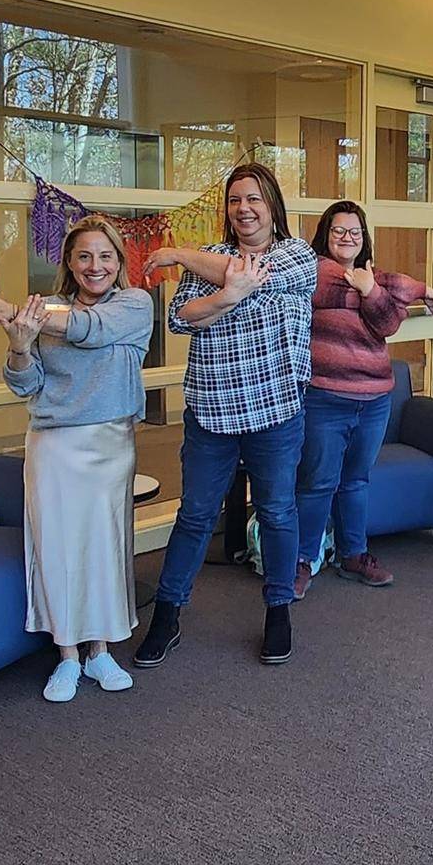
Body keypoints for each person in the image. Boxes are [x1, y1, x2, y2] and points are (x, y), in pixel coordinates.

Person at [0, 216, 154, 702]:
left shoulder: (133, 305)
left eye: (105, 256)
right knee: (56, 547)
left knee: (104, 547)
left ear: (120, 261)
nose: (95, 266)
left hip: (109, 445)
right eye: (84, 256)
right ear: (69, 263)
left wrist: (7, 310)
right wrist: (18, 343)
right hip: (54, 444)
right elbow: (26, 383)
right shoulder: (43, 314)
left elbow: (91, 331)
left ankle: (100, 650)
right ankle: (66, 655)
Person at [135, 163, 317, 664]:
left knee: (278, 512)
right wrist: (227, 296)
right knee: (194, 516)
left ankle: (278, 610)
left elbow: (247, 280)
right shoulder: (212, 257)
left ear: (272, 205)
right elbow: (179, 318)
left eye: (254, 199)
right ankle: (167, 616)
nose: (244, 209)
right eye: (236, 200)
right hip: (211, 414)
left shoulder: (297, 255)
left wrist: (175, 254)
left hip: (276, 412)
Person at [294, 201, 433, 600]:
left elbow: (387, 323)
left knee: (356, 480)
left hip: (376, 398)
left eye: (355, 232)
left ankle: (354, 555)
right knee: (317, 482)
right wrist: (397, 290)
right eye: (339, 231)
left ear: (364, 239)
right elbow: (373, 295)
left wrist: (375, 291)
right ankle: (304, 560)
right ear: (325, 237)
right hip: (326, 398)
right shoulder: (315, 272)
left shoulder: (372, 279)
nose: (347, 238)